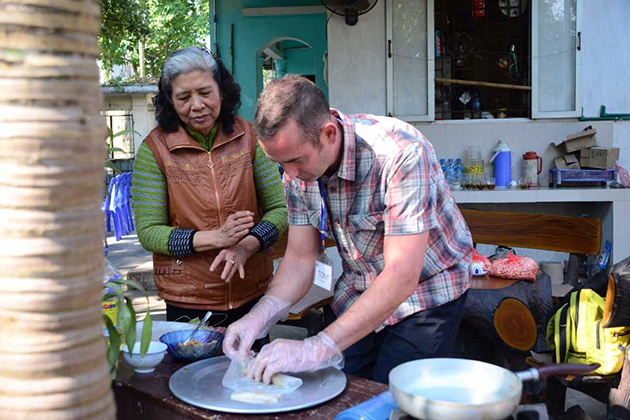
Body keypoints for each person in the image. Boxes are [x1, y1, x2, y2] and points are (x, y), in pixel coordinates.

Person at [222, 76, 473, 384]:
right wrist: (259, 317)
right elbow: (301, 258)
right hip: (360, 287)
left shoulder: (401, 153)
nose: (290, 175)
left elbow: (401, 275)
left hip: (427, 291)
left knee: (390, 396)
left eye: (295, 161)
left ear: (328, 133)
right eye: (280, 163)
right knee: (331, 387)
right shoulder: (296, 173)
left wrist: (316, 348)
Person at [131, 47, 288, 327]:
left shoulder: (250, 138)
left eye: (205, 93)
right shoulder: (154, 150)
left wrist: (246, 246)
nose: (197, 105)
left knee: (253, 370)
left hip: (251, 289)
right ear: (170, 100)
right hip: (187, 298)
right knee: (192, 371)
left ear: (222, 91)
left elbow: (280, 209)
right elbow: (149, 232)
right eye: (184, 97)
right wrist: (216, 238)